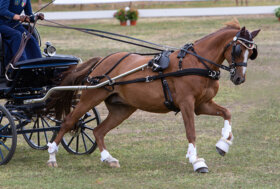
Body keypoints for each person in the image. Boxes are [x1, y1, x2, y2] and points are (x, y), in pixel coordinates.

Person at [0, 0, 44, 66]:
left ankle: (39, 65)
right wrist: (19, 17)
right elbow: (2, 11)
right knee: (17, 35)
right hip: (2, 24)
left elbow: (29, 14)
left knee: (30, 38)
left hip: (15, 24)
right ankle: (21, 65)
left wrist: (36, 17)